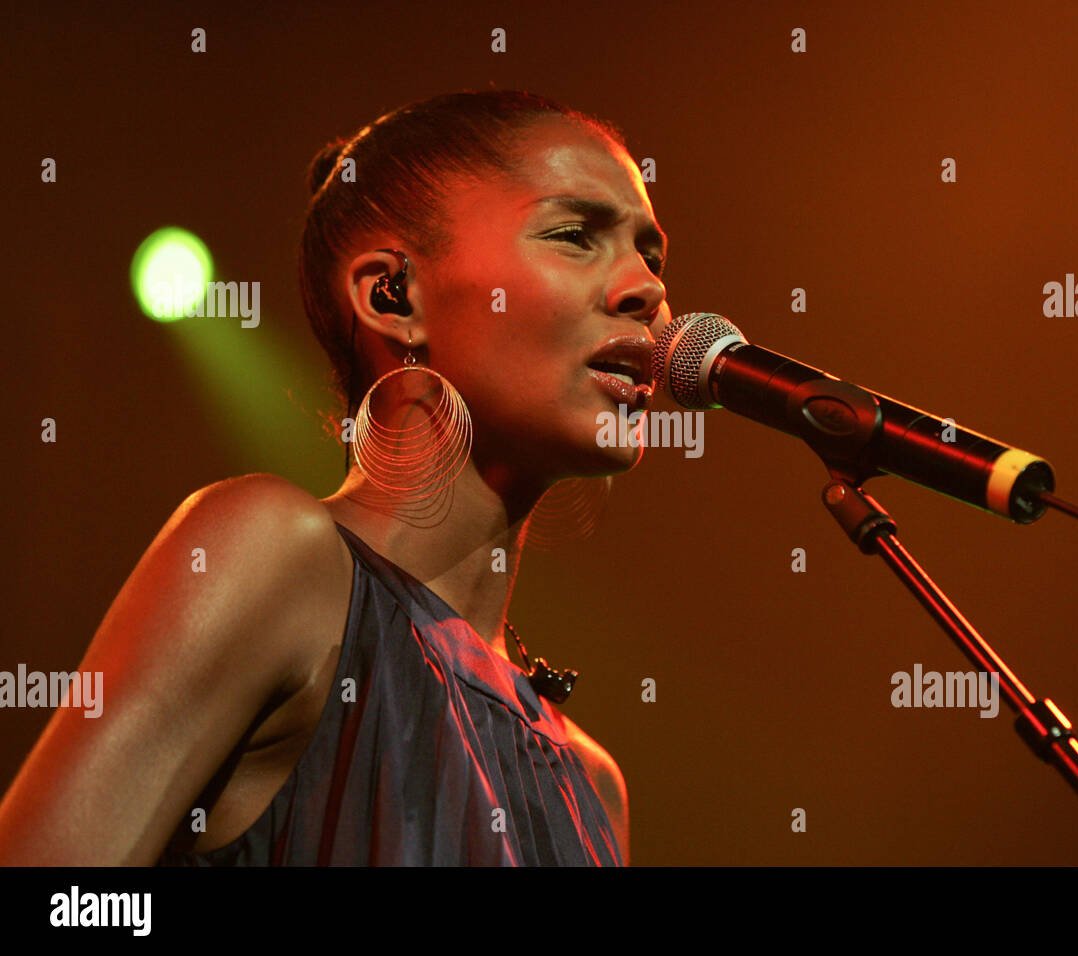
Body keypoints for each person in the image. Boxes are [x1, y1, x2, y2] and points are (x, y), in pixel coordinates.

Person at [0, 89, 669, 865]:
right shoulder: (272, 551)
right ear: (392, 295)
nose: (646, 290)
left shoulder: (592, 783)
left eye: (650, 254)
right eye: (575, 235)